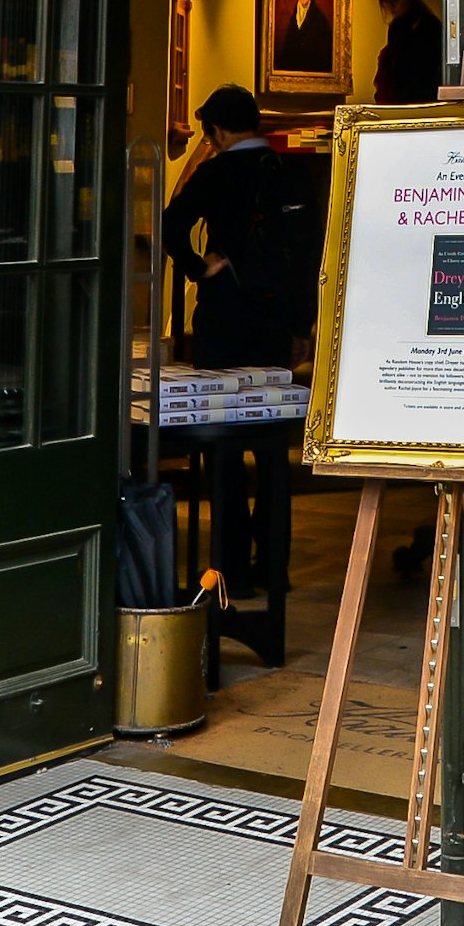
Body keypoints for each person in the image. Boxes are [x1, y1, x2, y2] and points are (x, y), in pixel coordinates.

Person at [159, 85, 325, 592]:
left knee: (224, 443)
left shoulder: (215, 171)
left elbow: (171, 225)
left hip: (225, 319)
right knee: (273, 446)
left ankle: (228, 566)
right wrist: (301, 326)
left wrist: (197, 268)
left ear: (217, 130)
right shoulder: (291, 173)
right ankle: (273, 563)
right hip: (275, 320)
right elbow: (307, 256)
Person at [371, 0, 442, 106]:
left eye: (395, 0)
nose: (391, 7)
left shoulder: (430, 25)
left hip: (424, 97)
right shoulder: (396, 27)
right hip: (399, 98)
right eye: (387, 2)